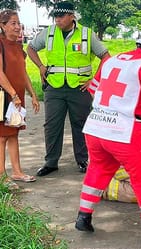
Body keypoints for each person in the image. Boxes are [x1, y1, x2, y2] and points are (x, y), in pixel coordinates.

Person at [75, 27, 141, 247]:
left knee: (98, 169)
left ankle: (84, 216)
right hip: (126, 133)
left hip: (95, 128)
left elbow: (94, 89)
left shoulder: (111, 61)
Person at [26, 1, 110, 176]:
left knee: (81, 124)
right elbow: (31, 48)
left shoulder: (86, 34)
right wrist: (41, 66)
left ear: (72, 16)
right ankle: (51, 162)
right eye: (55, 16)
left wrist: (94, 81)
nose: (57, 20)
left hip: (79, 89)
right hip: (54, 87)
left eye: (61, 16)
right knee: (52, 125)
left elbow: (106, 56)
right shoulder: (48, 33)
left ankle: (83, 160)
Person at [0, 10, 40, 189]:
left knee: (14, 133)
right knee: (2, 136)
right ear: (3, 25)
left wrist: (33, 94)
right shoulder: (0, 44)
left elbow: (23, 73)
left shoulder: (17, 46)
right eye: (13, 23)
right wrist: (13, 94)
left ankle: (17, 171)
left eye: (19, 23)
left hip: (17, 97)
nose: (18, 27)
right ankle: (2, 176)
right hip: (4, 97)